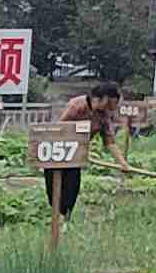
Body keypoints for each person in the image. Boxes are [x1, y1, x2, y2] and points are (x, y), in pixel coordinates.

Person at [48, 75, 123, 219]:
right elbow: (59, 129)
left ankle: (65, 219)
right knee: (55, 187)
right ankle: (54, 219)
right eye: (108, 105)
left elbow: (109, 142)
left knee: (72, 188)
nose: (109, 110)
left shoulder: (104, 116)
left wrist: (122, 163)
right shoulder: (76, 106)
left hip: (75, 157)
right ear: (99, 99)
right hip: (56, 151)